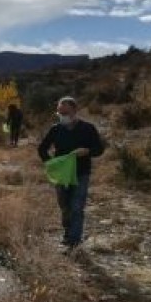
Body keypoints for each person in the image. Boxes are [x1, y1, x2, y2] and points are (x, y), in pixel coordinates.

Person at [38, 97, 104, 250]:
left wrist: (87, 151)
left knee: (77, 206)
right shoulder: (56, 129)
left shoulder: (88, 128)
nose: (62, 116)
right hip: (62, 174)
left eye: (65, 112)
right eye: (60, 113)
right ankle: (68, 233)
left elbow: (99, 149)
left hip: (81, 173)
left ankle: (74, 240)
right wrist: (50, 164)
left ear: (75, 111)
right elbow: (42, 149)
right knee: (64, 205)